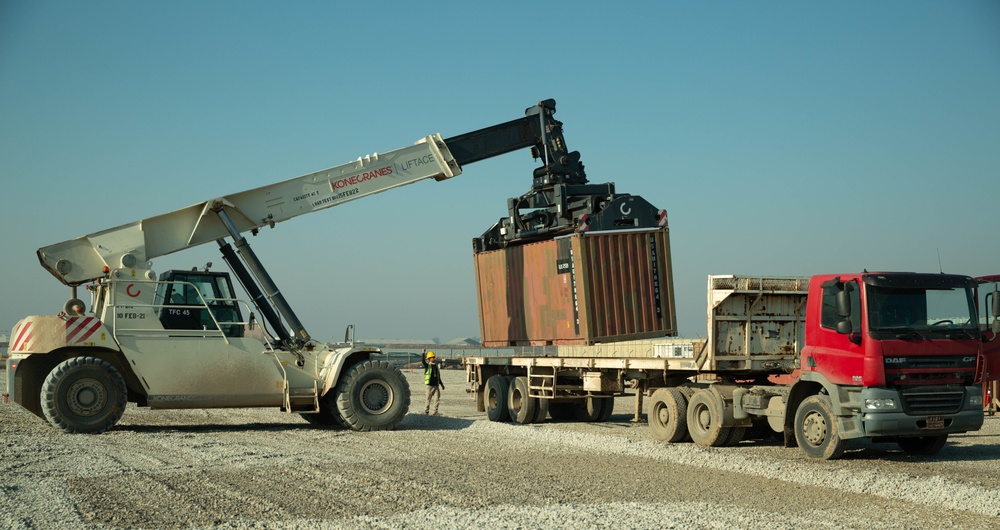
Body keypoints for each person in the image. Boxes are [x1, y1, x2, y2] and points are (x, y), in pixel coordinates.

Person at [421, 349, 445, 415]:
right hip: (429, 386)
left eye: (434, 357)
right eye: (433, 357)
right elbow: (423, 361)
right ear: (429, 359)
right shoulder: (427, 366)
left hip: (436, 386)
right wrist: (423, 353)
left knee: (437, 400)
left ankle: (435, 412)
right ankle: (426, 411)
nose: (434, 358)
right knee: (428, 399)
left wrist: (442, 385)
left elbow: (438, 377)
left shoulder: (436, 366)